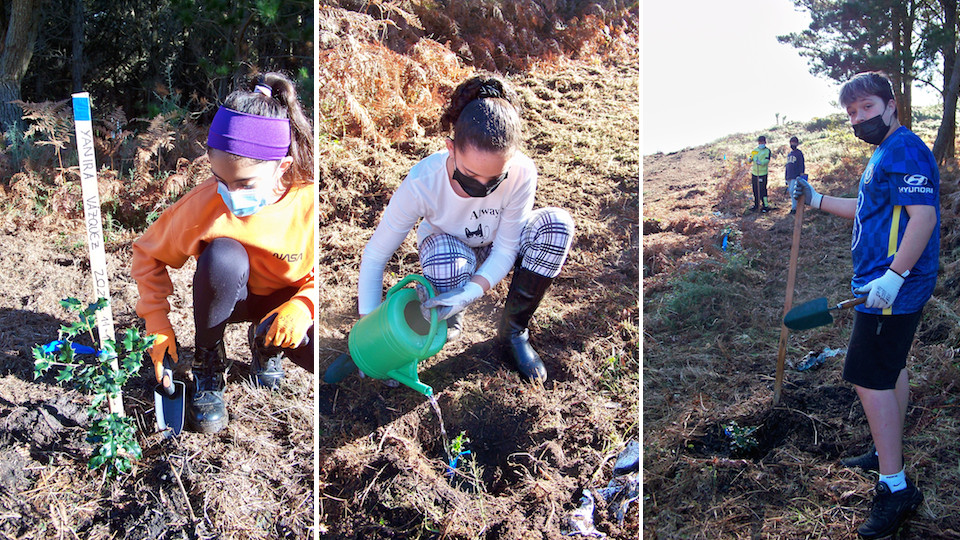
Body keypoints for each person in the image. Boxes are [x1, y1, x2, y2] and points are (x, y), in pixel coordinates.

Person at [356, 74, 575, 382]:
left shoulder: (523, 172)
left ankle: (512, 333)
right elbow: (376, 255)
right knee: (448, 262)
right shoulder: (422, 182)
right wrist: (370, 330)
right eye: (471, 175)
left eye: (494, 179)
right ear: (451, 148)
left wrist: (470, 293)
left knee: (556, 225)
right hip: (449, 248)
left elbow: (506, 248)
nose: (482, 188)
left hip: (498, 244)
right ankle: (448, 319)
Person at [794, 71, 938, 539]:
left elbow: (924, 217)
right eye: (851, 113)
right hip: (881, 284)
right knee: (890, 368)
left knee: (867, 376)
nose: (859, 119)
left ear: (891, 105)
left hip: (893, 286)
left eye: (867, 108)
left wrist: (894, 278)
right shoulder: (883, 153)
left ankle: (895, 487)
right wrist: (815, 200)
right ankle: (885, 448)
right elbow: (868, 208)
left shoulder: (905, 149)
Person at [132, 72, 316, 433]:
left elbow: (327, 272)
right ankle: (208, 362)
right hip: (231, 297)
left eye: (245, 183)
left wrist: (306, 305)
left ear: (283, 167)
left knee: (319, 360)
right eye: (220, 180)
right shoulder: (203, 205)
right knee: (222, 256)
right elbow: (147, 254)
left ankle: (266, 345)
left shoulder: (310, 202)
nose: (230, 194)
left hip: (284, 305)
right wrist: (157, 325)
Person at [749, 135, 772, 212]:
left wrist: (761, 163)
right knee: (755, 189)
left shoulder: (767, 151)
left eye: (762, 142)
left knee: (762, 189)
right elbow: (751, 157)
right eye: (759, 142)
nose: (761, 143)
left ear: (765, 142)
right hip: (755, 173)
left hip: (762, 173)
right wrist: (749, 159)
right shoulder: (755, 150)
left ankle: (765, 205)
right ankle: (756, 205)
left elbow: (767, 160)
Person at [785, 136, 805, 214]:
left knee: (793, 190)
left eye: (794, 142)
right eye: (791, 142)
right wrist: (786, 177)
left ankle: (795, 207)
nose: (793, 144)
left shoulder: (799, 153)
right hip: (789, 175)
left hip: (795, 175)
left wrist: (801, 174)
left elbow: (801, 165)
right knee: (790, 192)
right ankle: (794, 206)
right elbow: (787, 166)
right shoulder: (789, 154)